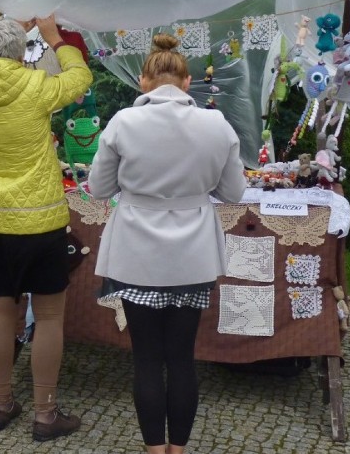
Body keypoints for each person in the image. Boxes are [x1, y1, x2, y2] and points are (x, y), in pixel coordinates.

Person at [87, 33, 247, 454]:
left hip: (136, 250)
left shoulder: (123, 121)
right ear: (187, 82)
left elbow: (98, 188)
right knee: (181, 357)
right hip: (193, 253)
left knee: (145, 357)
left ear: (144, 82)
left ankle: (154, 449)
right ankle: (177, 449)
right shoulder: (216, 124)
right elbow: (233, 193)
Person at [0, 14, 93, 442]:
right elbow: (79, 78)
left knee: (1, 309)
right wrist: (53, 38)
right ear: (20, 52)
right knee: (49, 315)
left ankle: (1, 403)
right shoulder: (36, 88)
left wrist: (7, 24)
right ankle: (45, 413)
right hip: (39, 216)